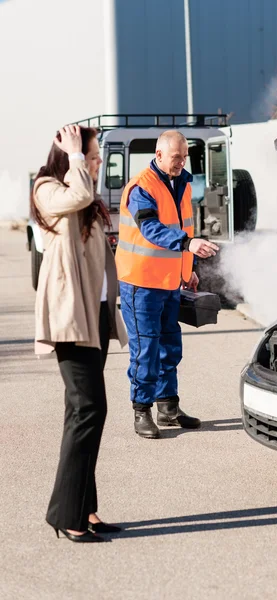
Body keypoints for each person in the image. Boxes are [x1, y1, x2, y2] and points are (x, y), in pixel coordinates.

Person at [32, 124, 127, 542]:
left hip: (97, 316)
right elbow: (80, 195)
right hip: (71, 318)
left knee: (85, 412)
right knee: (88, 410)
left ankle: (84, 509)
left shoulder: (81, 188)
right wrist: (73, 153)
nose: (95, 164)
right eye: (91, 156)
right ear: (69, 154)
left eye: (94, 158)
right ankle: (65, 514)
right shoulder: (47, 188)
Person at [116, 130, 219, 439]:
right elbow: (151, 230)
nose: (181, 162)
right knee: (146, 349)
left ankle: (169, 409)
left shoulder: (182, 184)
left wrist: (189, 268)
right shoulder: (140, 188)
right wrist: (187, 245)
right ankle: (142, 411)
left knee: (170, 347)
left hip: (169, 281)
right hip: (140, 284)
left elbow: (183, 226)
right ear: (159, 155)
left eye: (184, 157)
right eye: (176, 157)